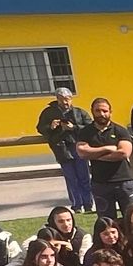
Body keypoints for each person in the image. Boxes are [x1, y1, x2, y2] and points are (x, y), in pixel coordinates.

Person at [78, 97, 133, 222]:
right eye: (98, 111)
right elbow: (82, 152)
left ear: (110, 112)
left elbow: (123, 153)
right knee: (106, 222)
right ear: (92, 111)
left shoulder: (120, 130)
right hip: (100, 183)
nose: (101, 114)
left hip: (124, 182)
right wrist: (108, 148)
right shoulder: (85, 132)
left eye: (105, 111)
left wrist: (95, 154)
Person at [35, 85, 95, 214]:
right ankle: (76, 205)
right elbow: (40, 128)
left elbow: (90, 127)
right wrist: (51, 126)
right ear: (57, 99)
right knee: (71, 177)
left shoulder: (80, 112)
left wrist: (73, 127)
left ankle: (88, 204)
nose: (65, 102)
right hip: (61, 147)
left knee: (84, 176)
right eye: (62, 99)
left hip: (78, 146)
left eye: (68, 98)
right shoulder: (48, 113)